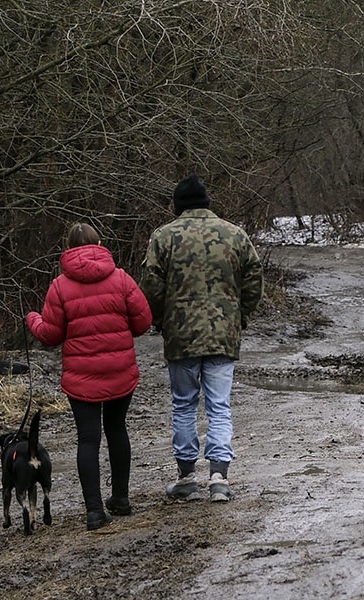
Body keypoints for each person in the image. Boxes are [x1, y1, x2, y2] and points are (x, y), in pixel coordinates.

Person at [141, 174, 264, 503]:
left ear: (177, 205)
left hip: (180, 336)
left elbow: (151, 286)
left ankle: (186, 478)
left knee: (183, 406)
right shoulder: (234, 234)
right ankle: (219, 479)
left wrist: (158, 319)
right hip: (223, 334)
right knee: (219, 407)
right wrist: (241, 316)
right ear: (207, 202)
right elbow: (254, 276)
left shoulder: (164, 237)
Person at [27, 223, 152, 531]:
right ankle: (121, 499)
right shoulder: (121, 278)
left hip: (81, 377)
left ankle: (95, 511)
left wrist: (32, 319)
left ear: (67, 249)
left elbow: (51, 336)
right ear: (100, 243)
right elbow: (143, 322)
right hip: (120, 371)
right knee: (117, 429)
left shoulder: (60, 286)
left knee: (88, 438)